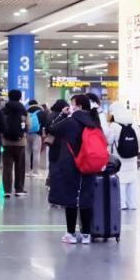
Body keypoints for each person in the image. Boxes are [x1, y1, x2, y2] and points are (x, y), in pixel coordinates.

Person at [48, 93, 99, 244]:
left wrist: (62, 115)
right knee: (86, 197)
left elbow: (52, 129)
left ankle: (71, 233)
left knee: (71, 198)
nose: (70, 107)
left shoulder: (70, 121)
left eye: (72, 104)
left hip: (72, 164)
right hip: (89, 163)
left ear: (79, 106)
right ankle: (86, 235)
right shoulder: (94, 120)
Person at [104, 103, 139, 210]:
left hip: (119, 157)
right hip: (132, 157)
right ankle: (132, 204)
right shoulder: (134, 125)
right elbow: (138, 139)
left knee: (121, 180)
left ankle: (122, 204)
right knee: (132, 181)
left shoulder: (114, 126)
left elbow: (109, 141)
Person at [0, 89, 29, 197]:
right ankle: (19, 189)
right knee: (20, 167)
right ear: (20, 97)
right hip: (20, 143)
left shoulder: (4, 110)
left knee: (7, 167)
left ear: (9, 97)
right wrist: (23, 132)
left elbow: (0, 125)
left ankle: (7, 190)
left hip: (6, 143)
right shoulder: (23, 110)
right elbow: (28, 126)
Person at [26, 99, 49, 176]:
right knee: (36, 152)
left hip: (27, 134)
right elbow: (45, 124)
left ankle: (27, 171)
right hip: (37, 135)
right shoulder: (42, 112)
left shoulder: (26, 112)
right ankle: (35, 171)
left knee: (27, 152)